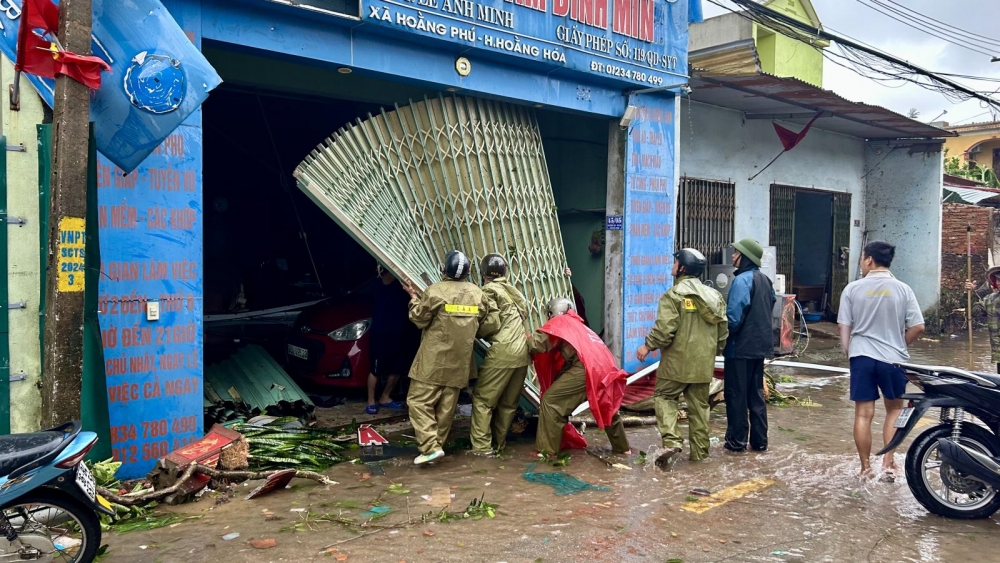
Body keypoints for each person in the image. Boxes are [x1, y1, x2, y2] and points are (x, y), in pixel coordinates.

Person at [839, 241, 925, 480]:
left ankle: (865, 468)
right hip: (893, 359)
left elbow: (843, 325)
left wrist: (850, 352)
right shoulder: (903, 289)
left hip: (862, 357)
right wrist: (899, 345)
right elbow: (918, 327)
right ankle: (888, 463)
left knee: (863, 414)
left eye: (861, 259)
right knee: (895, 409)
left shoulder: (852, 289)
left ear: (869, 260)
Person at [637, 249, 728, 469]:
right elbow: (723, 331)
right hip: (703, 365)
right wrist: (712, 351)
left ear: (683, 268)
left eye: (675, 262)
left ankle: (672, 441)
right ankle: (700, 457)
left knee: (665, 397)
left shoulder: (674, 295)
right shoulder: (714, 296)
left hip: (677, 363)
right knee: (699, 408)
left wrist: (647, 346)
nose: (672, 266)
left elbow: (665, 329)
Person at [403, 250, 492, 465]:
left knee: (417, 401)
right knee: (445, 409)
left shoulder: (435, 292)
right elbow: (486, 319)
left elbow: (419, 319)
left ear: (444, 269)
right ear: (468, 272)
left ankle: (430, 447)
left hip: (433, 361)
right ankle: (435, 451)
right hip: (460, 361)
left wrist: (414, 299)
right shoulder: (478, 294)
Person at [527, 297, 630, 456]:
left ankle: (547, 451)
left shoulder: (561, 321)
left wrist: (520, 339)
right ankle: (623, 449)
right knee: (608, 408)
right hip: (607, 365)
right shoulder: (580, 326)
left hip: (587, 367)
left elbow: (537, 344)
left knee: (551, 400)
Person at [470, 254, 531, 456]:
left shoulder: (488, 290)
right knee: (508, 404)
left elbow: (492, 324)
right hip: (522, 353)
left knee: (482, 400)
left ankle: (481, 449)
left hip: (503, 351)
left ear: (483, 273)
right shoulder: (514, 292)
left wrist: (475, 330)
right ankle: (498, 445)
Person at [723, 238, 776, 454]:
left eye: (736, 254)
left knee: (736, 395)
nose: (733, 257)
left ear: (745, 257)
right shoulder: (765, 280)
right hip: (760, 347)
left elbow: (734, 317)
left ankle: (736, 443)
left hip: (740, 348)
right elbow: (770, 304)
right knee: (755, 394)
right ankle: (759, 441)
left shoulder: (741, 281)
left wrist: (722, 337)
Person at [366, 266, 420, 415]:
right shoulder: (380, 282)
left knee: (397, 368)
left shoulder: (404, 284)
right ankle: (371, 401)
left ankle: (385, 397)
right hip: (380, 332)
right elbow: (387, 281)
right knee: (376, 369)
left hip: (400, 332)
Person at [964, 266, 1000, 373]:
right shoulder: (990, 300)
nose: (999, 283)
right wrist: (969, 293)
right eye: (998, 280)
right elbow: (972, 312)